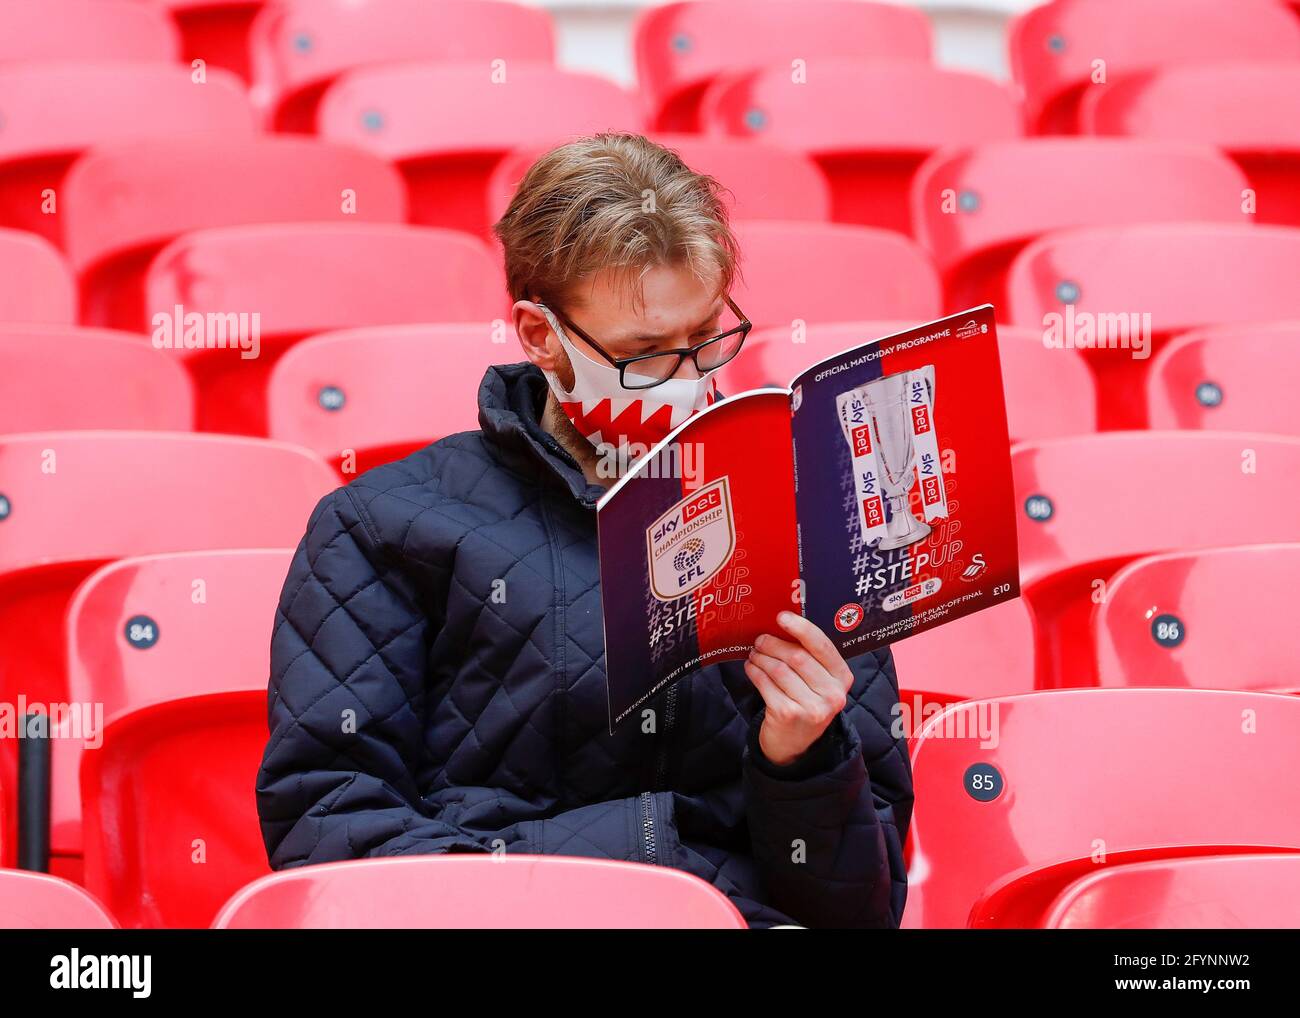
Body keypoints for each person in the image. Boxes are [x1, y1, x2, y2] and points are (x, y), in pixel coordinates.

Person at [255, 133, 913, 928]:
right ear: (542, 337)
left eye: (706, 339)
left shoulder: (806, 526)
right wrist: (625, 874)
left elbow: (860, 913)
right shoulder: (385, 527)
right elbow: (327, 831)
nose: (690, 382)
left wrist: (803, 759)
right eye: (645, 356)